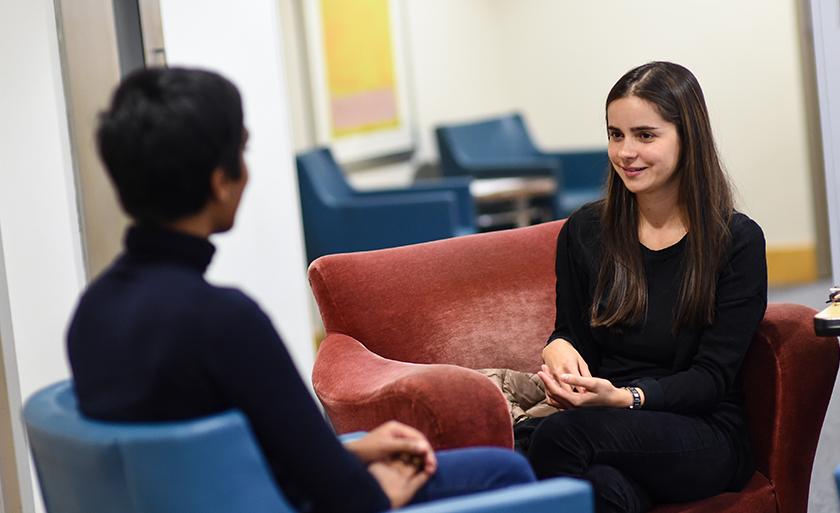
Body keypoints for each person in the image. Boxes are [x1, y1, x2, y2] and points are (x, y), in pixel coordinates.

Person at [67, 67, 535, 513]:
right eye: (242, 152)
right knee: (504, 470)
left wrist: (348, 453)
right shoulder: (222, 321)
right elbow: (344, 499)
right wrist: (375, 489)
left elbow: (206, 462)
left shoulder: (93, 311)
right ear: (220, 181)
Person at [525, 61, 767, 513]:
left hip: (701, 430)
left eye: (645, 135)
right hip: (608, 426)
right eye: (615, 134)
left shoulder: (736, 241)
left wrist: (625, 398)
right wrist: (555, 347)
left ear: (687, 137)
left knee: (558, 439)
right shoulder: (585, 230)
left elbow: (712, 379)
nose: (625, 152)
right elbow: (572, 331)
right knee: (602, 487)